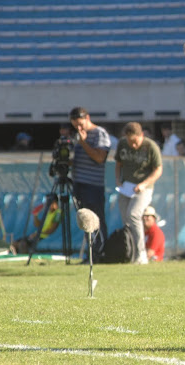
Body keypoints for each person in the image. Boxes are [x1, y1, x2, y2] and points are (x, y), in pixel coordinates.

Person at [114, 122, 163, 265]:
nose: (132, 145)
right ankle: (130, 252)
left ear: (141, 135)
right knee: (126, 219)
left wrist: (144, 184)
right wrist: (118, 180)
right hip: (126, 187)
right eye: (129, 141)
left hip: (144, 188)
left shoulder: (150, 146)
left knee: (134, 214)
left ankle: (141, 253)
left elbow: (158, 170)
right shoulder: (123, 144)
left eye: (135, 141)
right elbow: (118, 164)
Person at [69, 107, 111, 257]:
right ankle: (91, 254)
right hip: (79, 184)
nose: (78, 128)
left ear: (88, 118)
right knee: (84, 221)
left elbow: (99, 158)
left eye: (80, 124)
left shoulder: (100, 133)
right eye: (75, 126)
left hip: (93, 186)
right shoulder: (79, 136)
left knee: (95, 220)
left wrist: (84, 143)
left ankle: (101, 253)